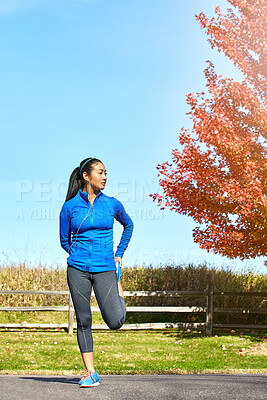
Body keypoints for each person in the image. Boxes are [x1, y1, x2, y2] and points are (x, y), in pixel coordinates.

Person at [59, 157, 134, 387]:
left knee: (115, 321)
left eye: (105, 173)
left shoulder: (112, 204)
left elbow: (129, 225)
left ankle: (119, 284)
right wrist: (77, 255)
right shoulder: (70, 206)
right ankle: (91, 372)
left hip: (106, 269)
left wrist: (118, 253)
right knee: (84, 320)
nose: (104, 177)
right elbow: (64, 239)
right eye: (100, 172)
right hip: (77, 270)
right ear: (86, 176)